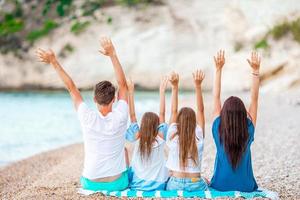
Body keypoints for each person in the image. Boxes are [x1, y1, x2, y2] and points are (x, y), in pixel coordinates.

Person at [36, 37, 129, 191]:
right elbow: (123, 85)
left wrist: (53, 61)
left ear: (94, 99)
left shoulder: (87, 116)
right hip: (117, 183)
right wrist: (112, 54)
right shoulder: (120, 115)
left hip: (90, 183)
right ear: (114, 99)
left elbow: (71, 88)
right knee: (127, 162)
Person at [210, 50, 260, 192]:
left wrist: (218, 69)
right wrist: (255, 71)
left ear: (223, 113)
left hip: (219, 186)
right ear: (243, 114)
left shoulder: (217, 127)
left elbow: (215, 97)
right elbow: (254, 100)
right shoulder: (248, 128)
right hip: (246, 187)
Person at [165, 70, 208, 192]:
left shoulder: (172, 134)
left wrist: (175, 86)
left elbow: (173, 111)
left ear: (178, 121)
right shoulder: (198, 134)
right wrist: (198, 86)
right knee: (206, 182)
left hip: (175, 184)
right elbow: (201, 110)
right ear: (194, 122)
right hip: (195, 183)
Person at [125, 76, 169, 191]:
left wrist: (130, 92)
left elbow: (132, 115)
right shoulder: (161, 137)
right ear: (157, 126)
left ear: (143, 124)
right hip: (158, 185)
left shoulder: (137, 136)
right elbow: (162, 113)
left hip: (138, 184)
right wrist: (162, 91)